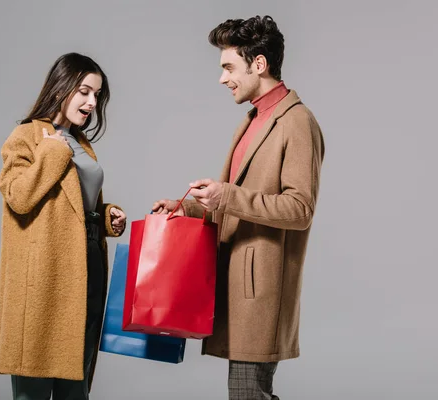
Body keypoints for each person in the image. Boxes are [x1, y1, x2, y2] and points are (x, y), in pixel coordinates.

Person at [153, 16, 325, 400]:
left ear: (259, 64)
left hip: (261, 289)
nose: (222, 78)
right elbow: (236, 204)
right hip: (235, 282)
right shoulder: (251, 120)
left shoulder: (297, 122)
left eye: (228, 67)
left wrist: (226, 195)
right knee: (249, 393)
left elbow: (299, 208)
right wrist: (192, 210)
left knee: (247, 394)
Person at [0, 52, 126, 400]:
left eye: (97, 95)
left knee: (75, 385)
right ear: (60, 87)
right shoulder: (26, 136)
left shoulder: (82, 144)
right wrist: (53, 151)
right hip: (44, 276)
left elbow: (75, 202)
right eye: (84, 91)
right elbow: (19, 198)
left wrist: (108, 215)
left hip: (88, 266)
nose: (91, 102)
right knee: (34, 387)